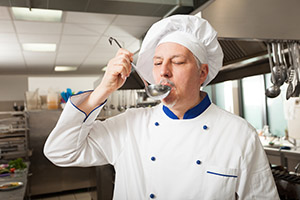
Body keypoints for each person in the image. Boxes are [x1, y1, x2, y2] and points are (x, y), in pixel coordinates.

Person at [44, 15, 279, 199]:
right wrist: (101, 91)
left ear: (202, 73)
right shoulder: (130, 124)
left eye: (177, 61)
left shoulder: (238, 133)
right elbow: (60, 151)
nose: (164, 71)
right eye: (157, 63)